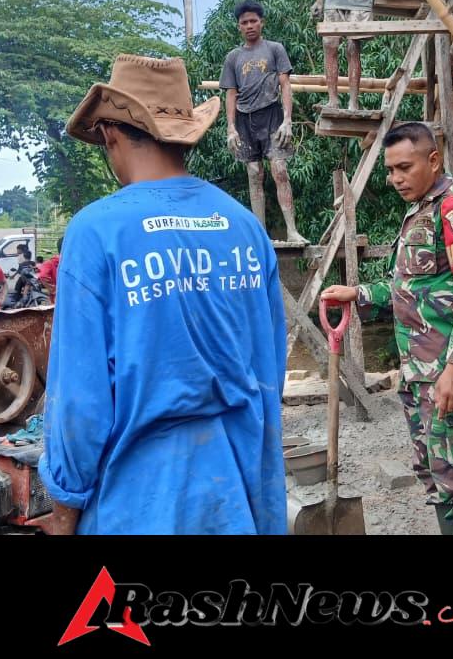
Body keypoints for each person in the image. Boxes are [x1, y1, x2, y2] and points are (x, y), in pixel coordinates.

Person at [39, 54, 288, 534]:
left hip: (142, 502)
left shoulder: (96, 231)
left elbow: (80, 399)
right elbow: (269, 370)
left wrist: (65, 509)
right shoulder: (244, 225)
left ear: (110, 134)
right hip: (238, 489)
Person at [321, 122, 453, 535]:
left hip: (448, 374)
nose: (395, 178)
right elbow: (410, 288)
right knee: (435, 475)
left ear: (433, 160)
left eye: (404, 167)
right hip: (419, 375)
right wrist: (358, 293)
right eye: (390, 170)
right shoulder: (418, 212)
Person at [219, 0, 306, 243]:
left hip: (271, 114)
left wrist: (287, 120)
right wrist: (231, 128)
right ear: (239, 26)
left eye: (253, 21)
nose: (249, 25)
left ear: (261, 22)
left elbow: (285, 84)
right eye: (244, 22)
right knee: (254, 173)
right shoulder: (233, 57)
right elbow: (230, 94)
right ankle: (260, 235)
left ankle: (292, 230)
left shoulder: (274, 49)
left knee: (280, 170)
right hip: (245, 119)